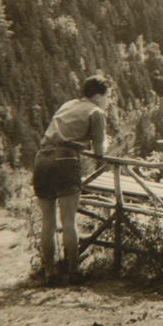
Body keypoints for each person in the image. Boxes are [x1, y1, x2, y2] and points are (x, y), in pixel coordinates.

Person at [33, 75, 111, 284]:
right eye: (107, 97)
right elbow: (100, 150)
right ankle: (73, 272)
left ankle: (49, 273)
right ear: (97, 96)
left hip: (42, 160)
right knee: (68, 221)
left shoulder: (68, 105)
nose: (108, 101)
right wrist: (106, 144)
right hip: (65, 161)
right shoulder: (96, 112)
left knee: (48, 223)